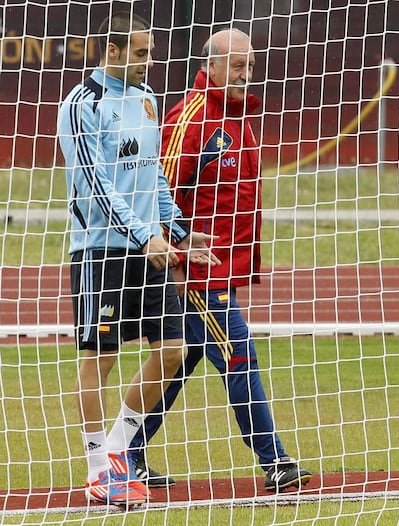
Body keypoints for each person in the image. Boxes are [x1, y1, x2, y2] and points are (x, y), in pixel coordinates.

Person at [126, 28, 313, 492]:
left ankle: (125, 453)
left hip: (222, 267)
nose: (246, 75)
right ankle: (276, 461)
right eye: (237, 66)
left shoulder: (240, 119)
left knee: (177, 364)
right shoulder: (191, 116)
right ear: (208, 66)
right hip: (194, 272)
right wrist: (170, 254)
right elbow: (156, 189)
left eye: (250, 67)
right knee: (239, 352)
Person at [57, 11, 219, 507]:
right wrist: (144, 234)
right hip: (101, 250)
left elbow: (155, 179)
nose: (151, 62)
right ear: (112, 52)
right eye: (142, 53)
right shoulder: (83, 104)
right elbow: (95, 184)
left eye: (151, 52)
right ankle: (95, 468)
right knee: (100, 358)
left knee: (174, 350)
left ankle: (118, 450)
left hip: (150, 250)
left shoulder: (148, 100)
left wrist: (182, 234)